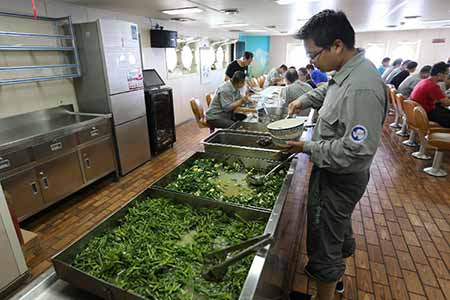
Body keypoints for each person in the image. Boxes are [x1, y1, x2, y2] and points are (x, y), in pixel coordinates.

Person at [281, 10, 387, 300]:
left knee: (324, 242)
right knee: (337, 228)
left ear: (337, 45)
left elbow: (355, 151)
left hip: (341, 177)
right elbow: (329, 90)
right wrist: (303, 98)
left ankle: (325, 289)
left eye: (314, 55)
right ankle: (337, 280)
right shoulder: (347, 72)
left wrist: (307, 147)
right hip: (335, 174)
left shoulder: (362, 88)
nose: (311, 62)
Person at [411, 62, 450, 128]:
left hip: (420, 111)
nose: (447, 76)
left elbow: (441, 99)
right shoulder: (432, 86)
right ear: (439, 74)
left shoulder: (424, 81)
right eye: (447, 74)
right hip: (425, 113)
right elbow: (446, 103)